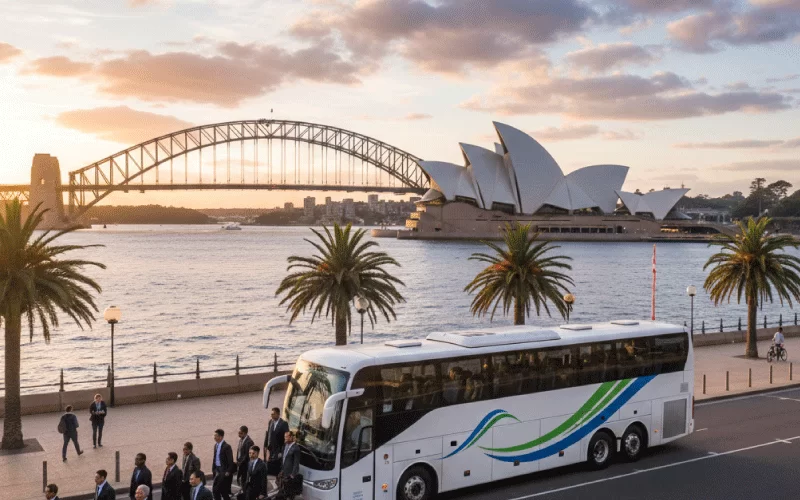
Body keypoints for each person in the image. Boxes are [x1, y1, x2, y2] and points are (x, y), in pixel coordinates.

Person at [263, 408, 288, 477]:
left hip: (279, 449)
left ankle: (278, 478)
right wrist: (266, 445)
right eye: (271, 414)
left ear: (278, 414)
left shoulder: (283, 424)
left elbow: (286, 437)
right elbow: (268, 434)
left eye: (273, 414)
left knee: (278, 465)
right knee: (270, 464)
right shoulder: (270, 422)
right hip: (271, 448)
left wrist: (282, 450)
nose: (271, 415)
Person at [212, 429, 235, 500]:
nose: (214, 437)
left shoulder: (227, 447)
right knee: (221, 491)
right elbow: (215, 458)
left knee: (217, 490)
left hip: (223, 471)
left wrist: (228, 471)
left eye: (216, 436)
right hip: (217, 470)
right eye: (214, 435)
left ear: (221, 437)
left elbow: (230, 460)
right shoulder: (215, 445)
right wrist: (213, 469)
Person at [276, 431, 301, 499]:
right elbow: (284, 457)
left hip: (290, 475)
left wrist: (292, 475)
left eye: (286, 437)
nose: (285, 438)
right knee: (283, 491)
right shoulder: (285, 446)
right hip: (283, 472)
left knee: (290, 494)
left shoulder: (296, 448)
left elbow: (296, 463)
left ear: (291, 437)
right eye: (284, 437)